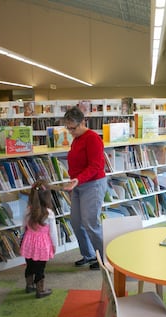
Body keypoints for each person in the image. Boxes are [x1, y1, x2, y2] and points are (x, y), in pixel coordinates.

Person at [62, 107, 108, 270]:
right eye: (68, 128)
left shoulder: (93, 138)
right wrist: (74, 180)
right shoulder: (77, 139)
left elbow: (96, 166)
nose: (71, 131)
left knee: (90, 223)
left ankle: (103, 258)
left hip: (93, 184)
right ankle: (88, 254)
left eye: (73, 128)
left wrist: (77, 179)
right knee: (76, 222)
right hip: (78, 184)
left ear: (83, 122)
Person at [20, 180, 58, 298]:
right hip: (42, 246)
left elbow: (23, 227)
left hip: (29, 243)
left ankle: (29, 285)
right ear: (47, 196)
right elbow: (53, 233)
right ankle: (40, 290)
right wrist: (54, 246)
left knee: (29, 265)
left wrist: (22, 240)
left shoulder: (28, 210)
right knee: (40, 268)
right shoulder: (49, 214)